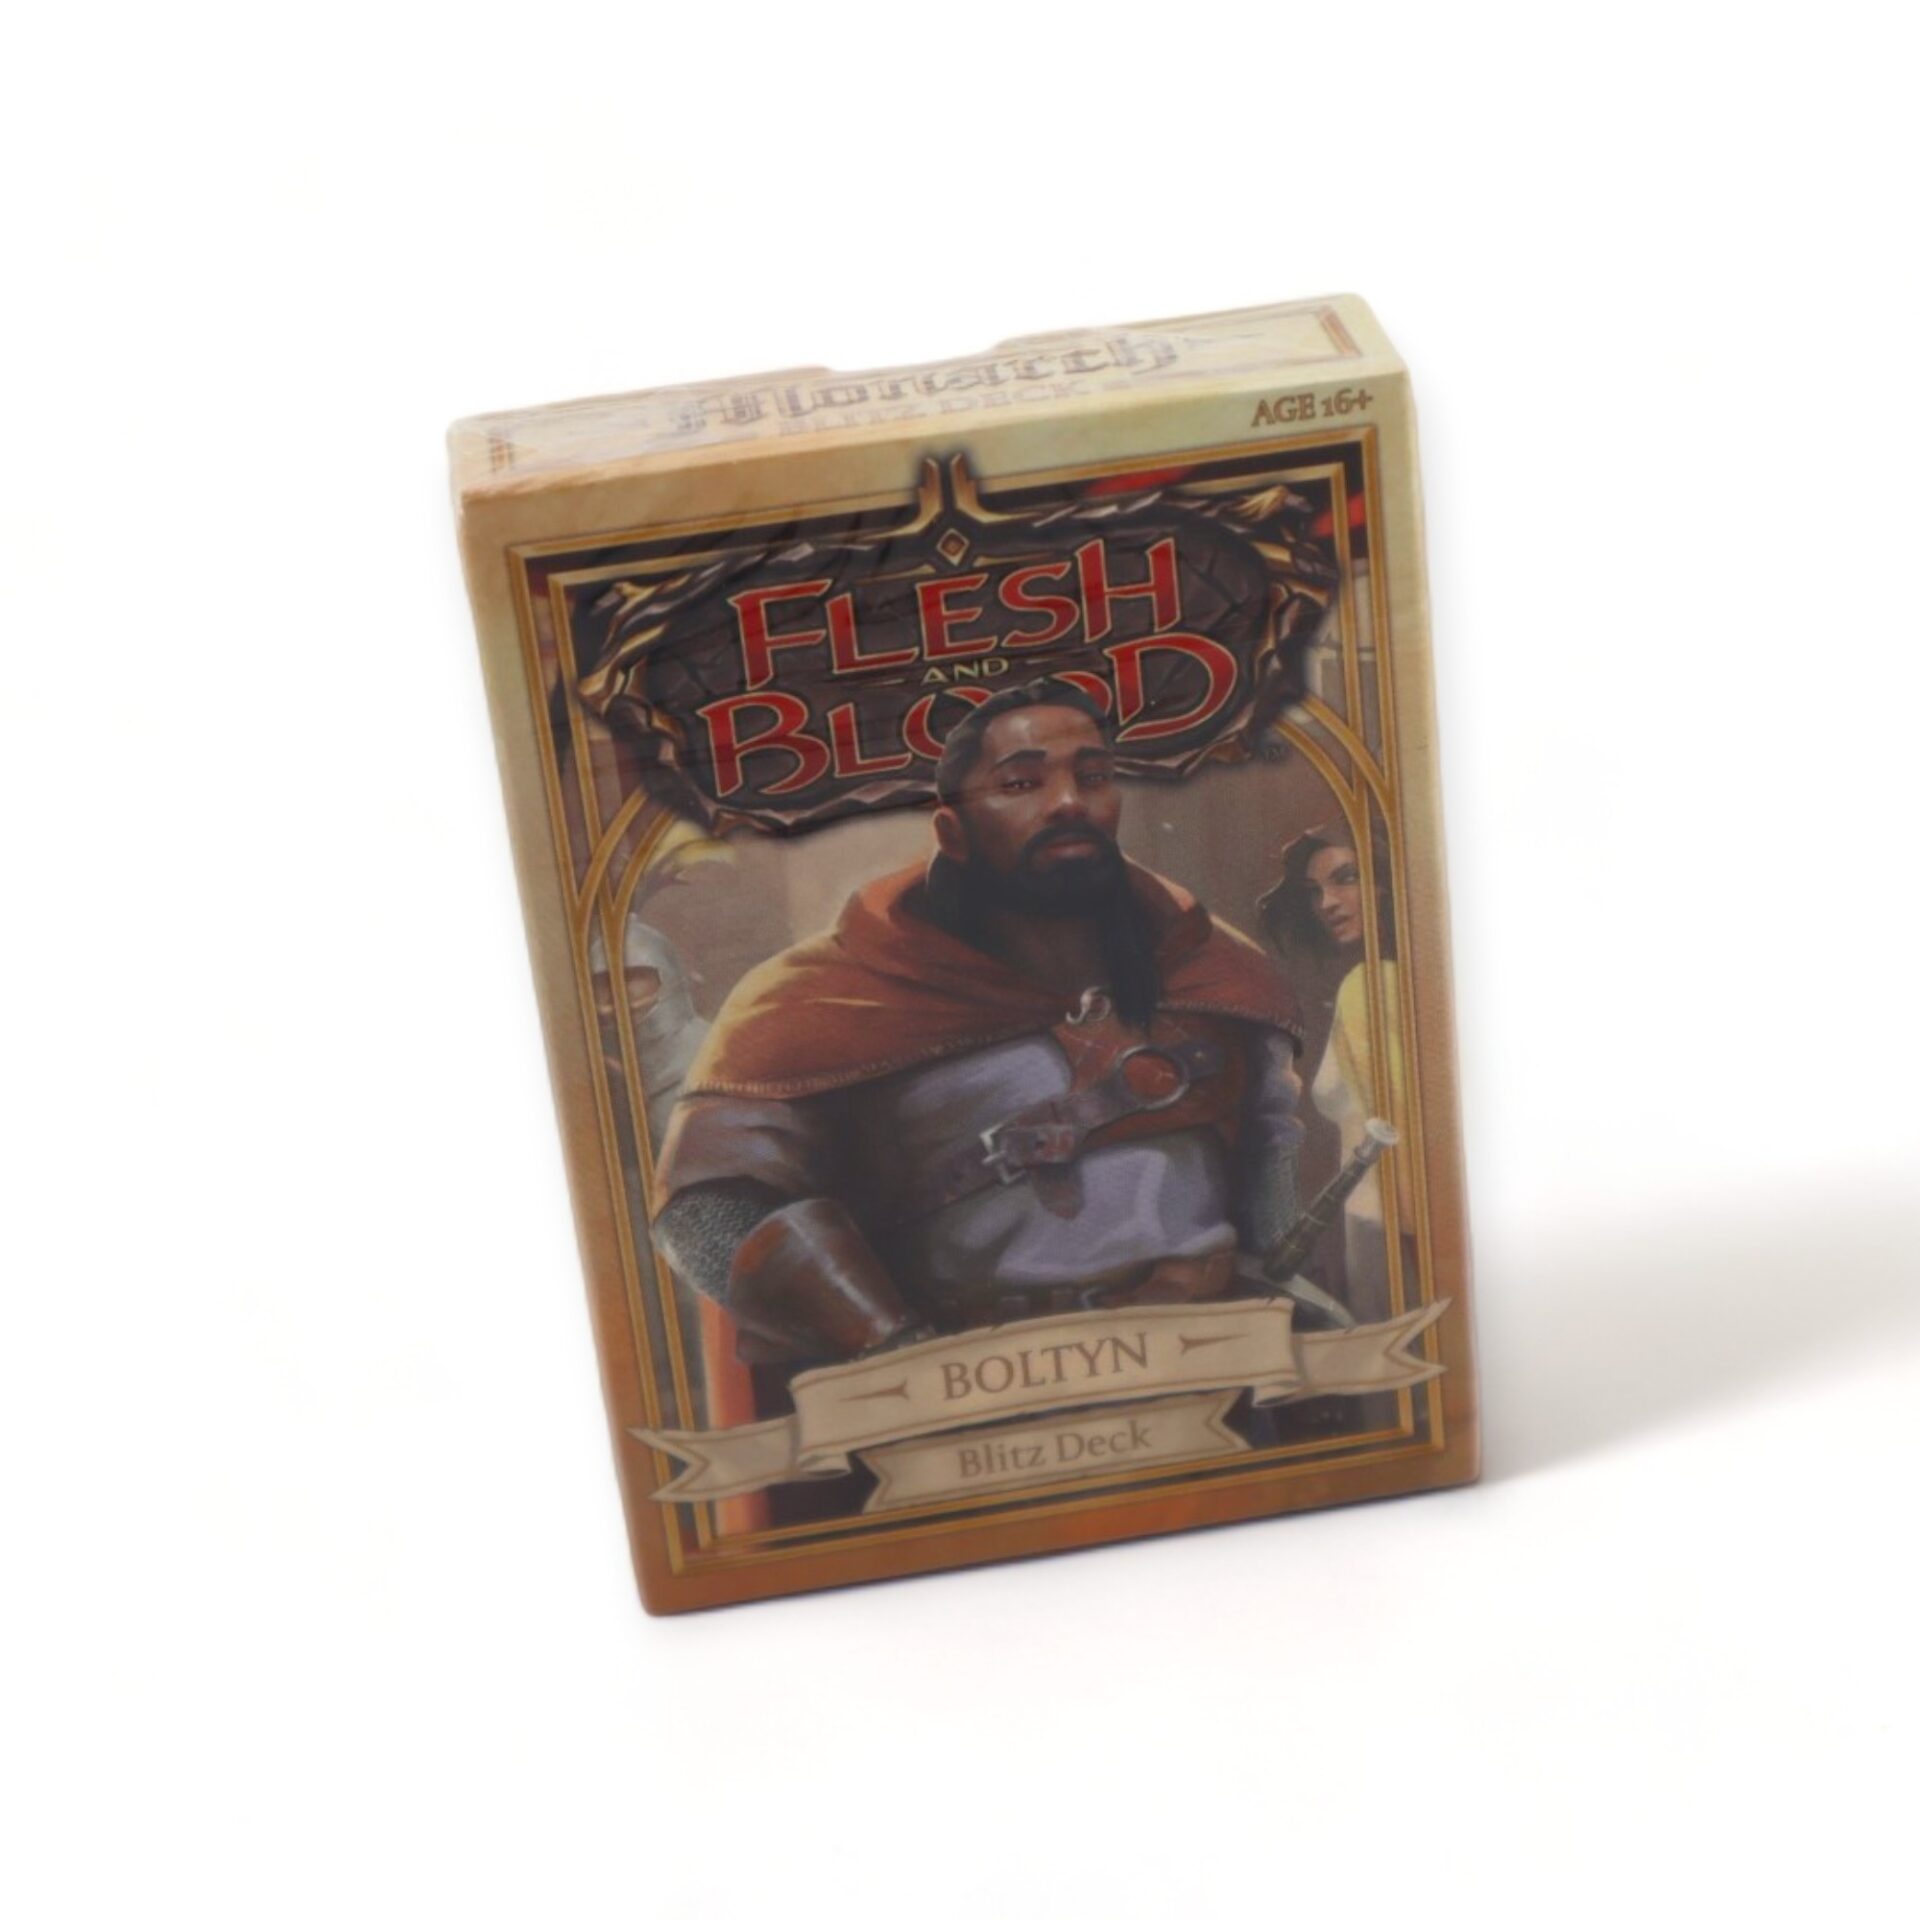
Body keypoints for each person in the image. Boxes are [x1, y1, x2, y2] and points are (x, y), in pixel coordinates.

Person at [652, 679, 1311, 1368]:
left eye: (1093, 778)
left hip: (1213, 1348)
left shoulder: (1212, 968)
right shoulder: (823, 998)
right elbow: (709, 1209)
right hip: (964, 1377)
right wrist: (890, 1352)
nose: (1068, 803)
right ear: (951, 830)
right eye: (1021, 783)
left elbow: (1271, 1151)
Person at [1257, 829, 1405, 1323]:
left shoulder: (1370, 987)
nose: (1327, 904)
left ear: (1388, 880)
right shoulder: (1392, 983)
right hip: (1377, 1232)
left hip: (1390, 1235)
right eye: (1315, 891)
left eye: (1347, 878)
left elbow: (1402, 1132)